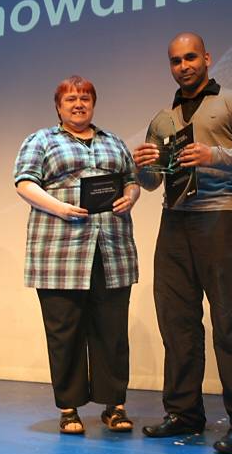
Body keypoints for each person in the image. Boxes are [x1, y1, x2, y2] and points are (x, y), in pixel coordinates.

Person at [133, 32, 232, 454]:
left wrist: (215, 157)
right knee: (177, 323)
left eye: (191, 57)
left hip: (220, 221)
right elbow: (153, 183)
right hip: (173, 224)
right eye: (176, 60)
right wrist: (142, 169)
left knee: (231, 322)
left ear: (207, 58)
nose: (184, 65)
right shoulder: (162, 118)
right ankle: (184, 413)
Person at [14, 75, 140, 434]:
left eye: (85, 97)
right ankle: (69, 408)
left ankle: (114, 405)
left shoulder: (114, 141)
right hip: (60, 250)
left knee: (112, 331)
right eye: (70, 99)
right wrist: (60, 208)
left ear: (94, 103)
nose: (78, 103)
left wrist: (130, 196)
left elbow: (131, 180)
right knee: (64, 331)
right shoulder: (41, 140)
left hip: (111, 249)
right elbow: (24, 182)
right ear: (58, 105)